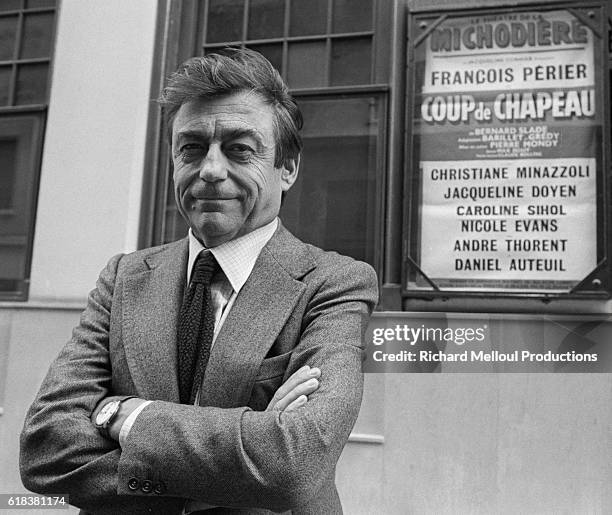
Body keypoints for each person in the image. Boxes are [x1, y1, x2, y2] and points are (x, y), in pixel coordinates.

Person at [19, 48, 378, 515]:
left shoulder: (334, 284)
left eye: (239, 149)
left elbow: (296, 463)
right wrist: (248, 445)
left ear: (286, 168)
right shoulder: (123, 278)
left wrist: (122, 415)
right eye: (191, 148)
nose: (209, 169)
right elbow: (46, 451)